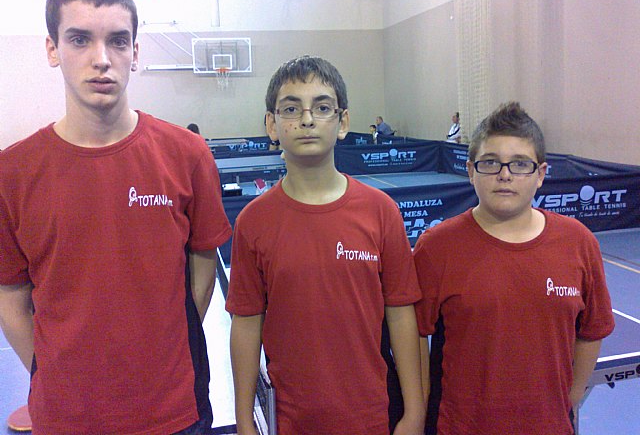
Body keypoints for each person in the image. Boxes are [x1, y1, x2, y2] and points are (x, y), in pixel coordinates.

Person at [0, 0, 232, 435]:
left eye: (118, 41)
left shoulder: (187, 154)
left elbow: (204, 264)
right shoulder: (13, 171)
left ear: (135, 52)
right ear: (52, 49)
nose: (101, 59)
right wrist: (57, 371)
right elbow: (11, 296)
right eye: (80, 39)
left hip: (173, 410)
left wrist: (162, 347)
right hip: (67, 416)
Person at [226, 55, 425, 435]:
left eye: (321, 107)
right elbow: (247, 323)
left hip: (371, 415)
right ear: (271, 125)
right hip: (292, 420)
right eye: (291, 109)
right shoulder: (253, 221)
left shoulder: (380, 211)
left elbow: (401, 313)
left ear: (343, 122)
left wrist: (414, 412)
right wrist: (245, 421)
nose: (306, 120)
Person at [414, 102, 615, 435]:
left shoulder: (579, 242)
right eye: (490, 162)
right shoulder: (436, 246)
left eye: (520, 164)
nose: (504, 174)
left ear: (540, 174)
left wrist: (569, 398)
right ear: (470, 171)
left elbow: (592, 331)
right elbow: (415, 337)